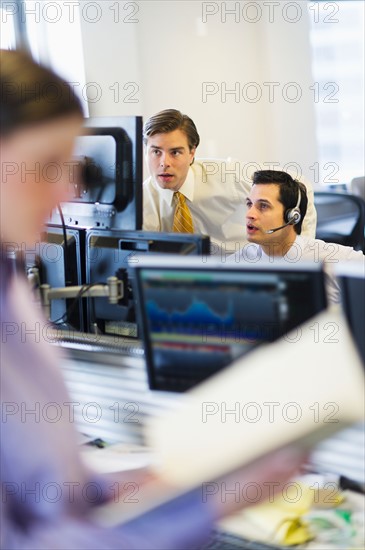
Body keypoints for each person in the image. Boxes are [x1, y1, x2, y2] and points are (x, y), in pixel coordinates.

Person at [1, 50, 305, 549]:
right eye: (44, 166)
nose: (64, 193)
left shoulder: (12, 293)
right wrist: (213, 503)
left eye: (72, 168)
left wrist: (168, 479)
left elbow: (51, 490)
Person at [142, 109, 317, 255]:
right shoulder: (140, 200)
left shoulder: (228, 175)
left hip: (246, 273)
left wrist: (297, 252)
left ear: (192, 152)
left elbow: (299, 184)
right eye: (156, 152)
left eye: (175, 152)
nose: (164, 162)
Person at [229, 170, 364, 303]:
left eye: (263, 206)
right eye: (249, 204)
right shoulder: (238, 263)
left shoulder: (332, 258)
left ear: (292, 216)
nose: (249, 214)